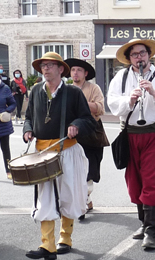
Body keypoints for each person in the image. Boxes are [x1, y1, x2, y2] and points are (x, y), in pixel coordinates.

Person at [107, 39, 155, 249]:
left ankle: (151, 230)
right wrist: (129, 100)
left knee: (153, 181)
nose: (139, 57)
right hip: (130, 135)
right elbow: (113, 105)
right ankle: (143, 223)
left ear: (149, 55)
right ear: (129, 58)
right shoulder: (120, 78)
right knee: (135, 181)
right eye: (135, 55)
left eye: (142, 53)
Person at [23, 52, 95, 260]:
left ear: (60, 69)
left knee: (67, 196)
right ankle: (47, 245)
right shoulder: (36, 90)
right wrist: (27, 130)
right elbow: (28, 117)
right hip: (43, 153)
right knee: (45, 198)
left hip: (67, 150)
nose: (45, 69)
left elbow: (87, 119)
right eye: (43, 65)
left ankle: (66, 238)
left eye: (50, 65)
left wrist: (76, 125)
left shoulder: (73, 93)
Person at [65, 58, 109, 220]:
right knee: (74, 169)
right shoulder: (66, 89)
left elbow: (100, 108)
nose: (75, 73)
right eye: (73, 70)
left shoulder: (93, 88)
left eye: (79, 70)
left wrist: (81, 102)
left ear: (85, 73)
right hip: (72, 132)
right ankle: (85, 200)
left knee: (90, 169)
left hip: (92, 131)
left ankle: (84, 198)